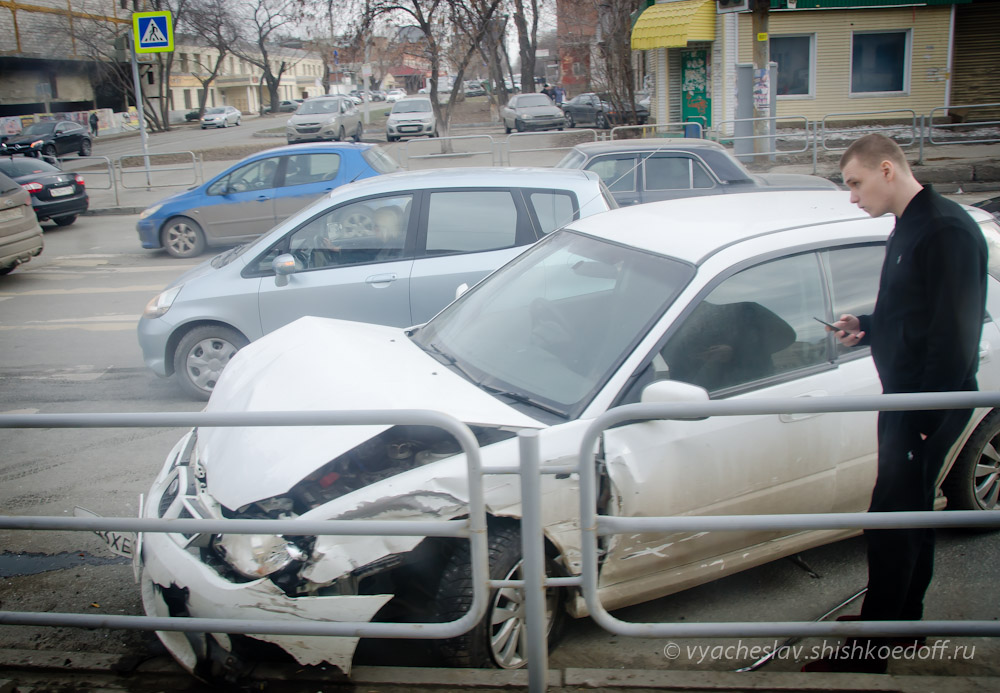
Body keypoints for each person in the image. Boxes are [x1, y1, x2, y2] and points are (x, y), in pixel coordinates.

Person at [803, 133, 987, 673]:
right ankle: (903, 623)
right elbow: (915, 313)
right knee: (909, 515)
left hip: (926, 404)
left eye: (856, 184)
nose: (853, 197)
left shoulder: (947, 229)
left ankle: (869, 654)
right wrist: (868, 325)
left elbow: (955, 336)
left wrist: (925, 419)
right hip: (910, 400)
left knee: (889, 522)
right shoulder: (911, 225)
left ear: (887, 170)